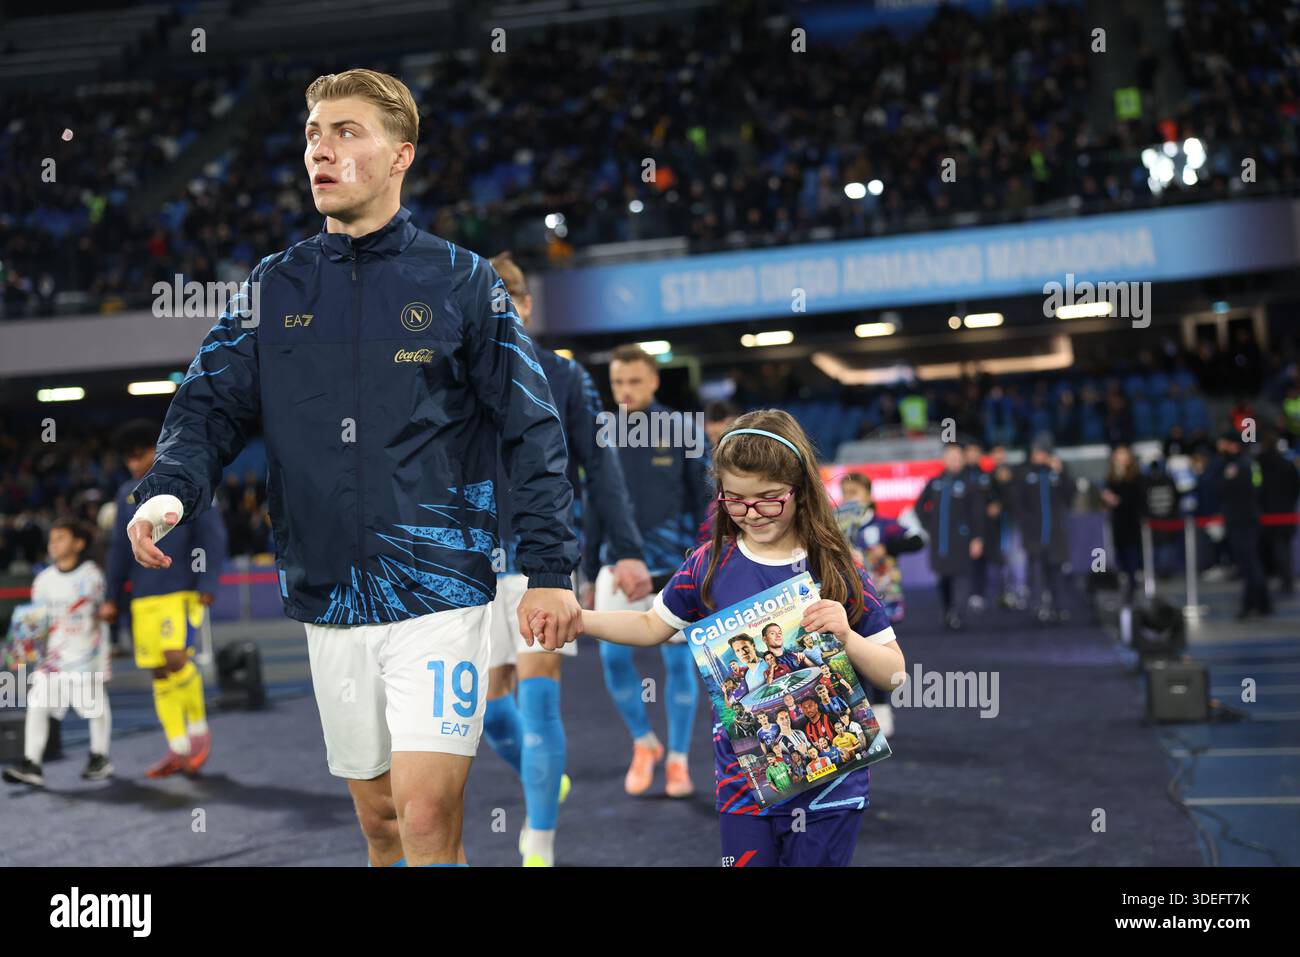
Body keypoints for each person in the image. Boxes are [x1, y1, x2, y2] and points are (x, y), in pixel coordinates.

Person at [121, 69, 581, 867]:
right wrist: (166, 487)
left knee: (430, 814)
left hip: (440, 588)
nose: (320, 152)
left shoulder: (464, 281)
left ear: (401, 155)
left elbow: (533, 428)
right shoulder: (274, 285)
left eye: (345, 133)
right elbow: (206, 407)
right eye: (312, 135)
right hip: (327, 589)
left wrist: (548, 566)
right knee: (381, 826)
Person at [543, 409, 905, 866]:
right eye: (735, 499)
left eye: (769, 499)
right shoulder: (707, 565)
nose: (752, 513)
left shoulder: (836, 566)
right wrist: (579, 618)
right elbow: (651, 625)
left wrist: (847, 635)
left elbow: (894, 674)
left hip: (831, 786)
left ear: (801, 489)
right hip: (743, 784)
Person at [479, 253, 651, 867]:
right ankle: (541, 775)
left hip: (540, 561)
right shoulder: (452, 371)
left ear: (526, 305)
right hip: (468, 565)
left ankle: (540, 847)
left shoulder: (563, 376)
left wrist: (626, 549)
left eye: (509, 297)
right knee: (490, 705)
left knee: (539, 694)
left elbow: (601, 470)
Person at [103, 420, 226, 777]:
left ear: (156, 450)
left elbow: (212, 535)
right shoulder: (127, 493)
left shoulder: (186, 483)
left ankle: (198, 731)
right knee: (158, 670)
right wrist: (113, 596)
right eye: (127, 458)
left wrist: (209, 582)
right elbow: (118, 551)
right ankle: (177, 746)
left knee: (175, 659)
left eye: (138, 455)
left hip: (180, 588)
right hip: (143, 596)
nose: (133, 464)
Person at [2, 520, 112, 787]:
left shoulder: (92, 576)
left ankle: (100, 756)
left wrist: (102, 656)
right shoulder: (43, 580)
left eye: (61, 538)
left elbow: (103, 613)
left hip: (85, 656)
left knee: (94, 707)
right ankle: (32, 763)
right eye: (52, 539)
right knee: (37, 705)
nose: (54, 544)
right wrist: (23, 652)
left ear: (79, 543)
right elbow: (36, 620)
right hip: (52, 659)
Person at [914, 444, 985, 630]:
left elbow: (978, 513)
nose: (953, 460)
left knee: (961, 577)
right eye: (949, 456)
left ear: (962, 458)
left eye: (956, 456)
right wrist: (930, 525)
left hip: (961, 541)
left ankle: (958, 614)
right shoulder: (936, 482)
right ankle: (947, 612)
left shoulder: (970, 483)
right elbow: (919, 506)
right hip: (940, 542)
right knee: (943, 578)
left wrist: (977, 537)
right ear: (944, 460)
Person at [1011, 433, 1073, 622]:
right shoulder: (1025, 473)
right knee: (1036, 572)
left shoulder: (1057, 472)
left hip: (1055, 534)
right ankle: (1037, 607)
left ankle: (1060, 607)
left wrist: (1061, 473)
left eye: (1040, 452)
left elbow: (1070, 496)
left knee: (1056, 571)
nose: (1036, 455)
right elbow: (1018, 503)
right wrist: (1027, 525)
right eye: (1034, 451)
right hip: (1034, 534)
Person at [1209, 430, 1270, 619]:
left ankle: (1252, 604)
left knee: (1248, 564)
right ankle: (1262, 603)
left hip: (1242, 520)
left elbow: (1220, 487)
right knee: (1251, 563)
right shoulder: (1246, 462)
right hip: (1246, 518)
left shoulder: (1236, 465)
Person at [1256, 431, 1299, 596]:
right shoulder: (1287, 464)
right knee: (1283, 548)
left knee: (1275, 548)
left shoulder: (1260, 463)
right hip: (1285, 513)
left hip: (1267, 513)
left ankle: (1276, 581)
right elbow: (1295, 488)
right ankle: (1285, 580)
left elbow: (1257, 488)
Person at [1101, 444, 1145, 600]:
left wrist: (1118, 500)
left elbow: (1136, 498)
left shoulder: (1135, 477)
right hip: (1117, 521)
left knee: (1131, 552)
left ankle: (1133, 582)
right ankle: (1126, 580)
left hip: (1130, 521)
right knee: (1120, 553)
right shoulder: (1111, 477)